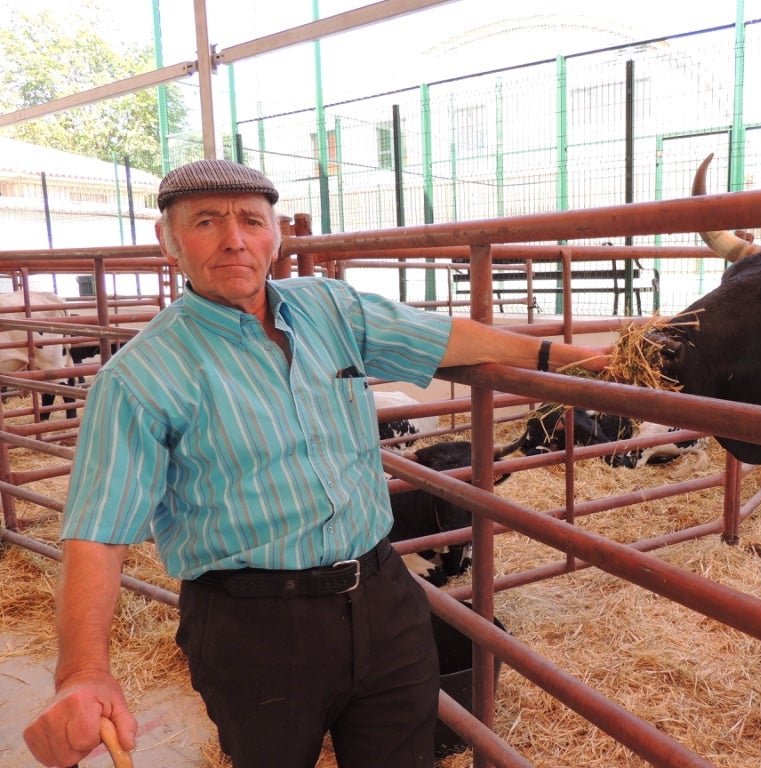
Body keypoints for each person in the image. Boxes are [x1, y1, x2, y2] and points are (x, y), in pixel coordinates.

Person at [23, 159, 609, 768]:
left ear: (276, 236)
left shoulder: (331, 308)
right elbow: (96, 532)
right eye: (205, 221)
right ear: (167, 241)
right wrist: (83, 673)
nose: (234, 239)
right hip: (253, 626)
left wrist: (568, 358)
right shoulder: (140, 378)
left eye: (252, 220)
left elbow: (444, 339)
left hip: (383, 594)